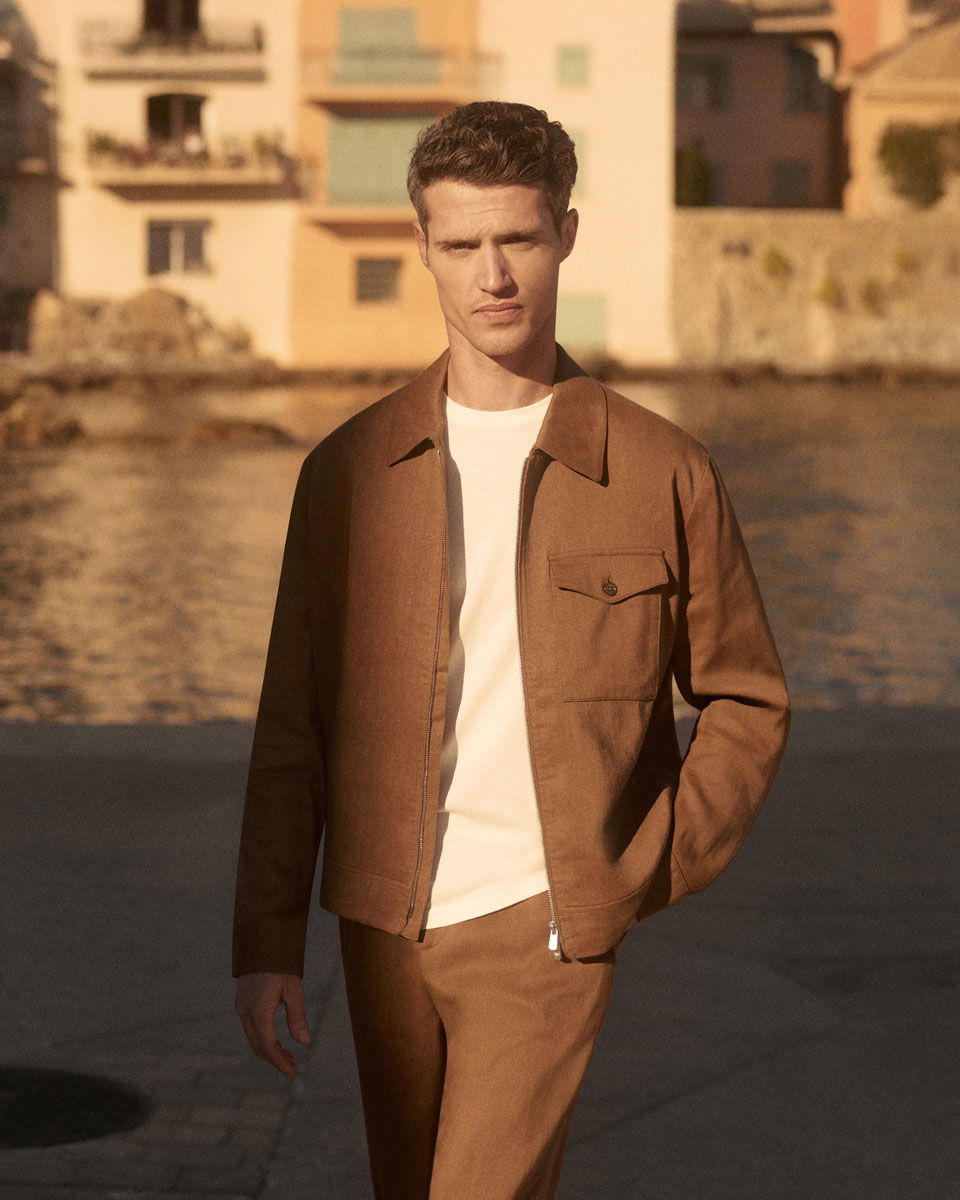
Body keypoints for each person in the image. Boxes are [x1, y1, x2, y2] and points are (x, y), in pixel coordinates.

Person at [232, 101, 790, 1200]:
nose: (493, 274)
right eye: (461, 244)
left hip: (542, 929)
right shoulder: (349, 471)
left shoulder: (661, 468)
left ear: (566, 235)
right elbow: (292, 726)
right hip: (383, 926)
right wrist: (266, 941)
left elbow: (747, 700)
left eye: (519, 240)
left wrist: (637, 868)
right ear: (424, 248)